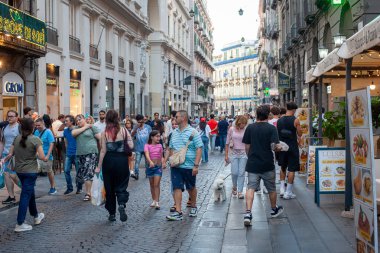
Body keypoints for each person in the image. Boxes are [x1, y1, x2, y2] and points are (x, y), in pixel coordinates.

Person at [242, 105, 284, 226]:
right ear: (267, 115)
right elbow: (275, 146)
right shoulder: (271, 129)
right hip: (267, 163)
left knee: (250, 187)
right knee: (271, 188)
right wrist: (279, 147)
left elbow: (247, 146)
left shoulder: (250, 127)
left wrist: (250, 156)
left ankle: (248, 213)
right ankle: (273, 209)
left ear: (257, 114)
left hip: (253, 163)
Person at [2, 118, 46, 232]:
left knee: (29, 193)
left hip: (19, 171)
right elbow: (42, 157)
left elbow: (11, 154)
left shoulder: (17, 138)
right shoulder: (35, 139)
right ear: (32, 127)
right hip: (31, 171)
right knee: (25, 195)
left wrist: (3, 160)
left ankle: (36, 216)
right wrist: (45, 158)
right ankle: (20, 223)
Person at [96, 110, 133, 222]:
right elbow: (131, 145)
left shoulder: (104, 133)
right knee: (121, 184)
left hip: (108, 161)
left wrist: (98, 167)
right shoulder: (123, 130)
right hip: (121, 161)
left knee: (109, 187)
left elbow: (102, 151)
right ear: (117, 118)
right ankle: (121, 203)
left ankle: (112, 213)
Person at [166, 110, 203, 221]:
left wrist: (196, 165)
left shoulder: (193, 132)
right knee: (177, 187)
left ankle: (193, 205)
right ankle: (178, 211)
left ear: (183, 118)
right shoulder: (174, 132)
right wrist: (171, 160)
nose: (174, 118)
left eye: (176, 117)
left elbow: (199, 148)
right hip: (176, 166)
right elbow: (171, 147)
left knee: (191, 188)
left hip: (189, 166)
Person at [72, 114, 101, 201]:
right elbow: (73, 134)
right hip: (80, 153)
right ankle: (91, 190)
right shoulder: (76, 129)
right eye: (76, 120)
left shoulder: (93, 128)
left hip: (91, 152)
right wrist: (86, 126)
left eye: (80, 119)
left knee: (88, 172)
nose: (78, 121)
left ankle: (88, 193)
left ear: (84, 119)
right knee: (83, 173)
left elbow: (100, 138)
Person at [277, 102, 302, 199]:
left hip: (282, 146)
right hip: (292, 146)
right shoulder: (296, 120)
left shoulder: (279, 120)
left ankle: (282, 189)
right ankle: (288, 192)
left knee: (283, 167)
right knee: (291, 169)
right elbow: (299, 134)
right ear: (294, 110)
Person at [1, 110, 21, 204]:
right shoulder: (4, 127)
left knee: (13, 175)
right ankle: (11, 196)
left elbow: (23, 141)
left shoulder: (19, 127)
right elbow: (2, 141)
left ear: (17, 117)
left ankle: (26, 189)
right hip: (6, 154)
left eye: (12, 116)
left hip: (15, 155)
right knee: (6, 175)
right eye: (8, 116)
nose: (9, 118)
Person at [225, 115, 248, 199]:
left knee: (241, 173)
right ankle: (234, 186)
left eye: (245, 124)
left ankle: (240, 191)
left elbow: (249, 142)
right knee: (234, 172)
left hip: (244, 153)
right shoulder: (231, 129)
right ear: (239, 122)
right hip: (233, 153)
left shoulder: (246, 130)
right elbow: (227, 143)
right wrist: (226, 155)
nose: (244, 125)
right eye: (243, 123)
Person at [34, 118, 57, 194]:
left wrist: (47, 155)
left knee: (49, 171)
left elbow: (51, 144)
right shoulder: (36, 132)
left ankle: (53, 187)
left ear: (43, 124)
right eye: (36, 125)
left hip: (46, 156)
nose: (37, 127)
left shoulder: (48, 132)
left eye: (39, 125)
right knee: (34, 171)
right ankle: (31, 187)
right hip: (37, 157)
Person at [144, 130, 165, 210]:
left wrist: (163, 163)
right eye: (157, 136)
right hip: (150, 167)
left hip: (158, 167)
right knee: (152, 184)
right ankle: (153, 199)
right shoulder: (147, 145)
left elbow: (161, 156)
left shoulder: (160, 145)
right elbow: (146, 154)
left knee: (156, 184)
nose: (158, 138)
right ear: (152, 137)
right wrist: (150, 162)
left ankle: (157, 201)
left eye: (159, 136)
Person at [62, 115, 82, 195]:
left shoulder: (77, 129)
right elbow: (66, 142)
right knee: (66, 171)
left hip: (77, 153)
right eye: (65, 121)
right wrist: (67, 151)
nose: (65, 122)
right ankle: (69, 188)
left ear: (72, 121)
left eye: (67, 121)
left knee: (78, 172)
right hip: (69, 153)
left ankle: (79, 187)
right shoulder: (65, 131)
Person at [131, 114, 152, 180]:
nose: (140, 123)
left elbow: (151, 136)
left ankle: (147, 173)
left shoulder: (148, 127)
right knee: (137, 162)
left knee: (147, 162)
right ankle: (136, 174)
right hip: (138, 148)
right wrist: (136, 128)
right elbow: (132, 135)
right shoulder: (135, 127)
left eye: (141, 121)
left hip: (147, 148)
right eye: (139, 121)